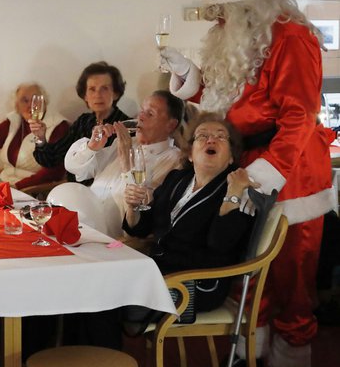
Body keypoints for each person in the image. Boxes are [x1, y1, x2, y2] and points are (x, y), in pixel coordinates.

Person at [161, 0, 335, 367]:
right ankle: (248, 361)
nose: (215, 21)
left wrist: (268, 173)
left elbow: (298, 115)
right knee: (249, 273)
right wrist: (189, 75)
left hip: (291, 175)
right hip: (245, 170)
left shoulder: (291, 38)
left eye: (221, 12)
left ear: (247, 9)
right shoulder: (242, 41)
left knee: (291, 276)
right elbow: (233, 100)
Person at [62, 113, 255, 350]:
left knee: (101, 294)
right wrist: (134, 208)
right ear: (190, 154)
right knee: (80, 282)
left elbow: (220, 243)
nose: (210, 140)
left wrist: (233, 193)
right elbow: (142, 227)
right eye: (202, 136)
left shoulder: (238, 192)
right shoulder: (178, 179)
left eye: (220, 137)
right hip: (156, 272)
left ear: (231, 156)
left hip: (194, 285)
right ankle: (74, 363)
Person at [62, 90, 183, 236]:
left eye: (150, 114)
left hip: (115, 242)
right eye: (142, 111)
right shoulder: (123, 143)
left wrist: (127, 161)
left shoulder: (175, 161)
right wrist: (92, 147)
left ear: (170, 125)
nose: (140, 117)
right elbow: (73, 167)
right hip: (81, 227)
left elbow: (139, 210)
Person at [30, 61, 130, 183]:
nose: (98, 95)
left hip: (105, 196)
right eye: (92, 89)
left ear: (115, 93)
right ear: (85, 96)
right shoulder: (83, 121)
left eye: (104, 88)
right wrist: (40, 138)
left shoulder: (126, 126)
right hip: (75, 192)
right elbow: (51, 159)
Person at [0, 82, 69, 189]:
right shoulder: (15, 120)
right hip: (5, 184)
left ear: (44, 101)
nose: (31, 105)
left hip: (33, 191)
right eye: (25, 100)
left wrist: (17, 187)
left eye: (35, 99)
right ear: (16, 106)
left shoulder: (59, 126)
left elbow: (54, 172)